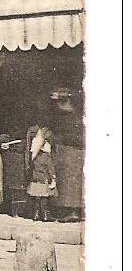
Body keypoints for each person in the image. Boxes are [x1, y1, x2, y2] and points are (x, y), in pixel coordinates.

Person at [49, 87, 84, 222]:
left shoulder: (68, 116)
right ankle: (71, 210)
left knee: (70, 182)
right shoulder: (71, 115)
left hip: (70, 151)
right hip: (69, 150)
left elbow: (69, 136)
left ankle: (73, 211)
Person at [26, 125, 57, 221]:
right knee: (44, 199)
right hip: (44, 180)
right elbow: (51, 169)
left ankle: (35, 215)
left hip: (35, 180)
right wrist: (53, 179)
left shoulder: (35, 157)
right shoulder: (47, 157)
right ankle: (45, 215)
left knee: (36, 198)